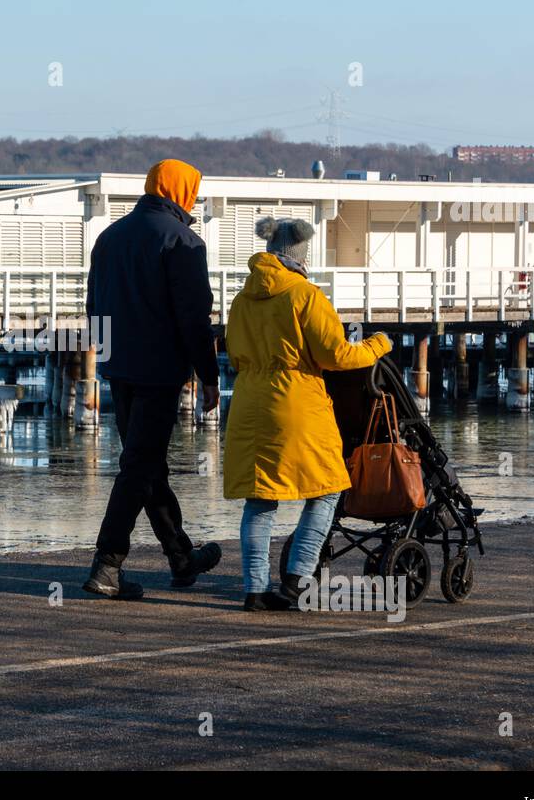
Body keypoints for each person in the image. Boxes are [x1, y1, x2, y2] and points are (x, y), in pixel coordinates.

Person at [222, 217, 392, 611]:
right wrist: (378, 344)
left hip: (249, 404)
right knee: (327, 488)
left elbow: (233, 352)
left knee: (260, 499)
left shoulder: (242, 298)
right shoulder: (305, 295)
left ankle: (254, 589)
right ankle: (298, 578)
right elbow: (337, 356)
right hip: (295, 403)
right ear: (299, 255)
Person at [83, 158, 223, 599]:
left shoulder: (109, 238)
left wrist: (107, 362)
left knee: (146, 466)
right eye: (193, 191)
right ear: (180, 191)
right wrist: (210, 376)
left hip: (119, 369)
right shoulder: (182, 241)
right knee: (139, 467)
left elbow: (94, 308)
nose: (195, 199)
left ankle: (182, 557)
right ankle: (107, 565)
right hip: (159, 372)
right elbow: (194, 319)